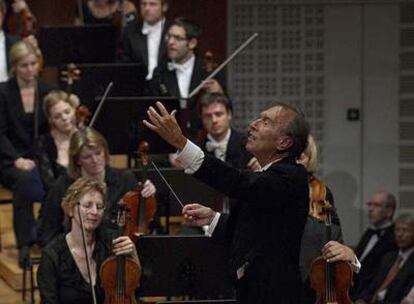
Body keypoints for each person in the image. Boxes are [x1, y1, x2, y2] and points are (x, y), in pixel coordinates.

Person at [144, 101, 310, 303]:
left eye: (266, 122)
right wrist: (212, 218)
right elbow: (253, 230)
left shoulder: (290, 177)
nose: (253, 124)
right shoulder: (268, 176)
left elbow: (235, 181)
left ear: (284, 143)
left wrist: (181, 142)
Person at [37, 127, 156, 247]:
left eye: (98, 153)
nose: (95, 160)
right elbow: (48, 232)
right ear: (77, 160)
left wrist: (148, 196)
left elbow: (146, 222)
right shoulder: (62, 186)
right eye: (87, 157)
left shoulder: (126, 179)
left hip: (118, 249)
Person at [37, 177, 140, 303]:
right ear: (70, 209)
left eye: (99, 206)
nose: (94, 212)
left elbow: (134, 288)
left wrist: (133, 255)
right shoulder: (52, 255)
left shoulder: (113, 242)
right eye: (87, 205)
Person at [0, 39, 54, 267]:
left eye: (33, 64)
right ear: (14, 66)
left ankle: (48, 236)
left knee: (58, 180)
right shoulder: (3, 92)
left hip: (41, 157)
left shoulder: (47, 90)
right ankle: (26, 243)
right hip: (9, 158)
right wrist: (16, 159)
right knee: (24, 181)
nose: (30, 70)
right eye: (24, 65)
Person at [297, 134, 360, 303]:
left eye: (300, 156)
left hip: (313, 289)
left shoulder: (321, 193)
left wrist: (348, 254)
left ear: (309, 158)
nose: (294, 163)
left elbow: (335, 239)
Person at [150, 17, 224, 139]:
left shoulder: (208, 71)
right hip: (169, 139)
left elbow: (227, 109)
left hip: (203, 139)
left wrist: (219, 93)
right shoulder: (159, 72)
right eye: (169, 37)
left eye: (177, 38)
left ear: (192, 43)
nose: (170, 42)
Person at [355, 213, 414, 304]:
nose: (400, 234)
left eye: (405, 230)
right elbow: (373, 284)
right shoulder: (388, 257)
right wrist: (362, 299)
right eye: (397, 230)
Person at [351, 190, 398, 299]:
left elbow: (381, 275)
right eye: (369, 205)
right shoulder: (369, 232)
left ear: (389, 211)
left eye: (376, 205)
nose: (370, 209)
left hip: (368, 295)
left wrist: (363, 298)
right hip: (353, 288)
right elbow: (358, 261)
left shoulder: (394, 237)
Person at [198, 92, 259, 170]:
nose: (214, 120)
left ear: (229, 114)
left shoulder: (249, 144)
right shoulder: (197, 149)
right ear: (202, 119)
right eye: (208, 116)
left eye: (218, 114)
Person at [35, 90, 79, 192]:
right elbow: (48, 183)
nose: (64, 118)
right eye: (57, 116)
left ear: (74, 110)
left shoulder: (87, 136)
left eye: (67, 112)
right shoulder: (43, 142)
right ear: (51, 120)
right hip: (57, 198)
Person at [121, 0, 169, 80]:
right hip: (139, 86)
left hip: (167, 86)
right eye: (143, 4)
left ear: (164, 7)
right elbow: (124, 65)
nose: (146, 8)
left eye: (152, 4)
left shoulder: (175, 30)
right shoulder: (130, 32)